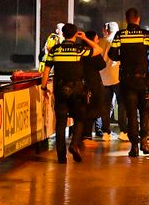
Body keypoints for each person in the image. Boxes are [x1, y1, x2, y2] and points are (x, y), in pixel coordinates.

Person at [39, 23, 103, 164]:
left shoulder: (55, 50)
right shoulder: (79, 49)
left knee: (61, 123)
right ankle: (74, 145)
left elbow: (47, 69)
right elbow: (98, 49)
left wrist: (44, 88)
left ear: (63, 34)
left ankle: (61, 158)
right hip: (77, 90)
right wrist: (85, 38)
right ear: (75, 34)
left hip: (60, 89)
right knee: (80, 118)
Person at [108, 8, 149, 157]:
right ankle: (144, 141)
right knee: (144, 111)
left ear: (126, 19)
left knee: (131, 113)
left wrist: (123, 58)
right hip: (143, 79)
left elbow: (112, 54)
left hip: (127, 80)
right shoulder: (146, 35)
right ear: (138, 19)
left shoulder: (120, 35)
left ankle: (134, 147)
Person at [98, 22, 122, 141]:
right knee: (122, 104)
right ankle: (124, 131)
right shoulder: (117, 41)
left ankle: (106, 132)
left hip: (103, 77)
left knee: (106, 106)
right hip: (116, 76)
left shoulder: (100, 42)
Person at [82, 31, 107, 140]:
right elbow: (102, 64)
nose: (98, 41)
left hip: (81, 83)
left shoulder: (79, 51)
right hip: (93, 83)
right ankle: (87, 134)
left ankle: (83, 134)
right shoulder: (91, 53)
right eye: (96, 39)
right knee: (93, 109)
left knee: (85, 109)